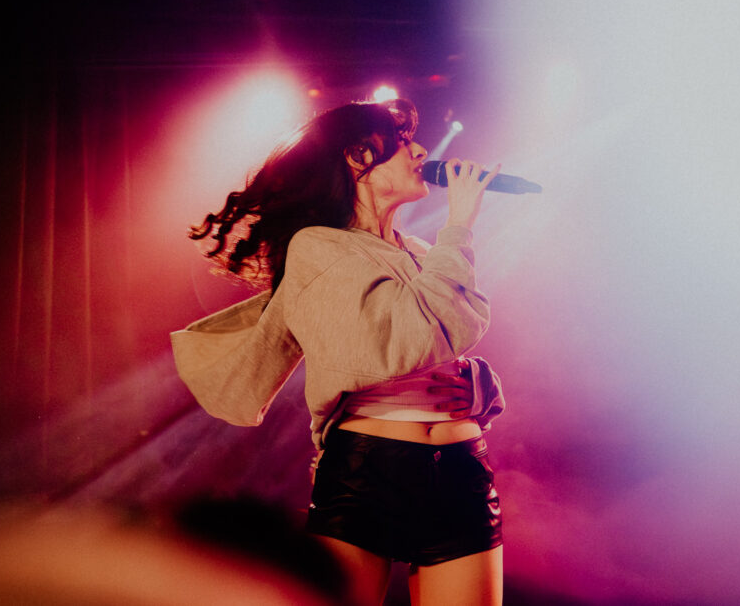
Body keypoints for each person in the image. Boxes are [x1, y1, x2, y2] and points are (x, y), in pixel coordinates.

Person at [171, 99, 506, 605]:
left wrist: (477, 385)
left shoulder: (422, 253)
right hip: (370, 470)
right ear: (356, 156)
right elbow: (404, 338)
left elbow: (453, 331)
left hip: (462, 469)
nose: (421, 151)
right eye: (403, 143)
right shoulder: (319, 247)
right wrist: (458, 225)